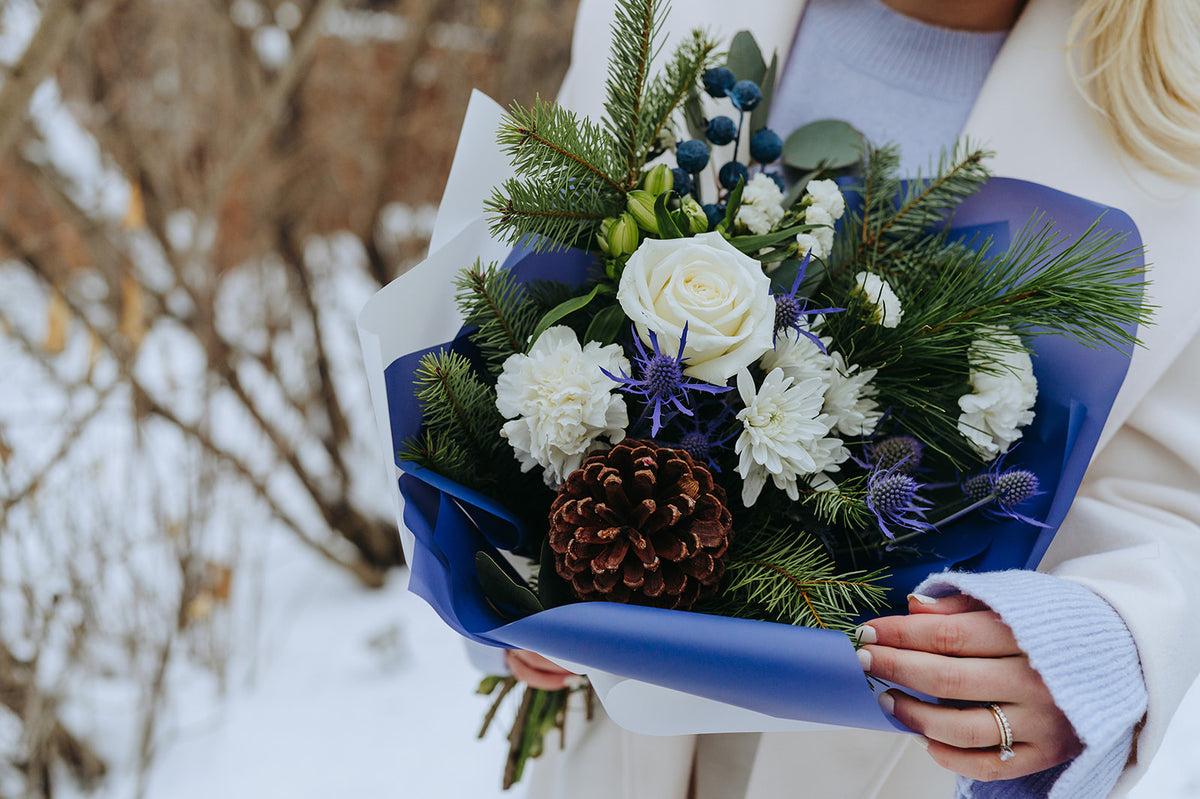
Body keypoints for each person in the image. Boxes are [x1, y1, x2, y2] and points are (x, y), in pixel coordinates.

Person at [502, 0, 1200, 796]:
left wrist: (1098, 641)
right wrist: (516, 563)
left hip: (912, 759)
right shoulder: (669, 13)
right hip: (613, 750)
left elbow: (1173, 500)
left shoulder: (1177, 113)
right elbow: (514, 318)